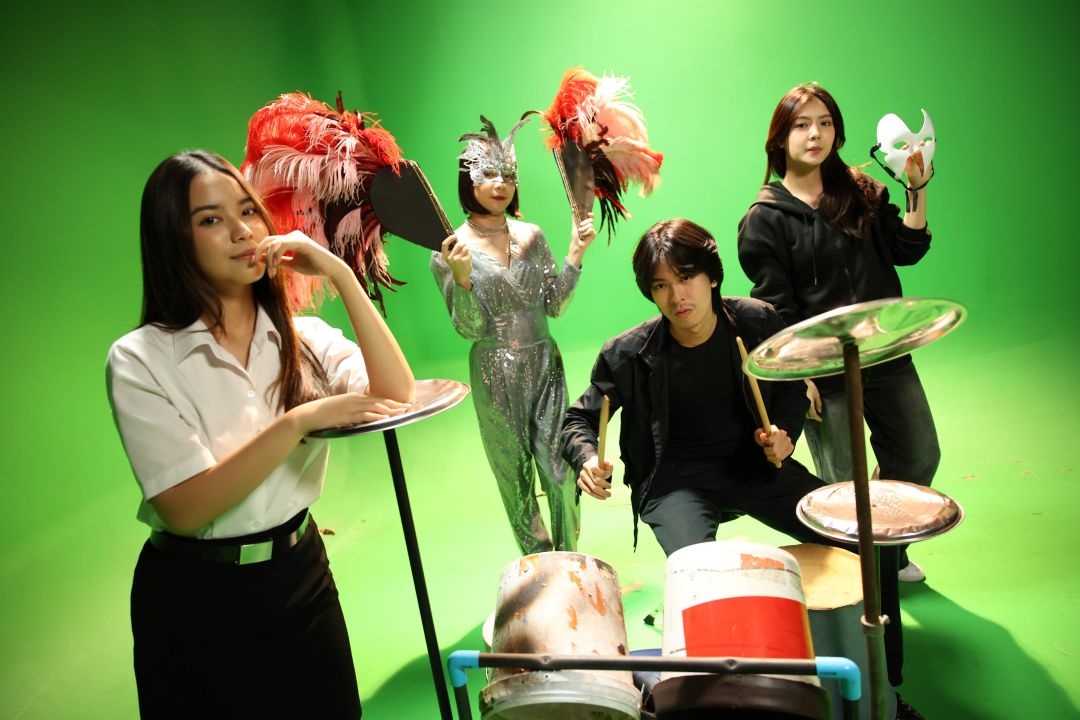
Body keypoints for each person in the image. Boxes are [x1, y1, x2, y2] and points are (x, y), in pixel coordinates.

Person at [107, 150, 415, 718]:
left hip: (301, 575)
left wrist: (341, 274)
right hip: (194, 598)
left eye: (248, 210)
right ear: (173, 238)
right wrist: (299, 421)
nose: (242, 230)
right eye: (211, 219)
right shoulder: (139, 358)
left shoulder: (304, 336)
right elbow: (185, 508)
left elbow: (397, 392)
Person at [737, 83, 937, 584]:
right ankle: (860, 577)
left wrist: (917, 188)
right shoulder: (764, 220)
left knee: (918, 454)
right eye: (802, 124)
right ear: (780, 138)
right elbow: (776, 310)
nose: (816, 134)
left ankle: (886, 552)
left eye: (825, 123)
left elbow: (907, 248)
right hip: (823, 370)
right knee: (843, 484)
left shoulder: (863, 191)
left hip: (885, 353)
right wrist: (797, 377)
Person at [560, 218, 827, 556]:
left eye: (686, 278)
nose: (677, 297)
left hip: (755, 466)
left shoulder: (757, 322)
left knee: (849, 530)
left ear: (712, 277)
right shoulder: (627, 354)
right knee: (697, 567)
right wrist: (586, 459)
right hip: (674, 483)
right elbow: (578, 419)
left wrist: (785, 431)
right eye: (661, 285)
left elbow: (790, 385)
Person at [431, 116, 596, 555]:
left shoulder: (531, 236)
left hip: (544, 363)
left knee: (559, 471)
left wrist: (575, 254)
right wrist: (462, 278)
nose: (500, 183)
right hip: (493, 371)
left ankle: (570, 558)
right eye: (488, 173)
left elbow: (554, 305)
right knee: (514, 478)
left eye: (507, 174)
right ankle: (539, 566)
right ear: (468, 180)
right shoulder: (450, 250)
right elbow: (469, 328)